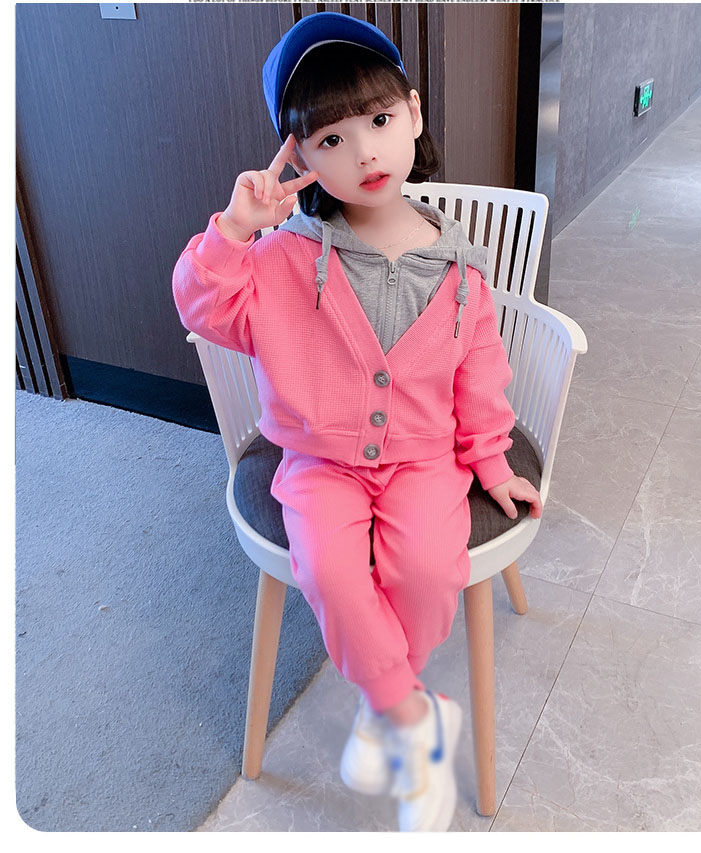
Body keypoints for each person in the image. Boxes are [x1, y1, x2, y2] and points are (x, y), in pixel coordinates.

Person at [172, 11, 542, 832]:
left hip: (425, 459)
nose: (364, 152)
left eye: (377, 121)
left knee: (427, 572)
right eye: (331, 140)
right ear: (301, 158)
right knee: (334, 574)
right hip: (317, 460)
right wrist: (235, 229)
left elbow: (481, 377)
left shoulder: (462, 267)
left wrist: (491, 460)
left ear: (413, 113)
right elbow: (202, 307)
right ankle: (413, 716)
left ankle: (385, 706)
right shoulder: (279, 257)